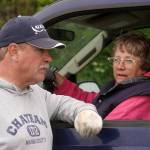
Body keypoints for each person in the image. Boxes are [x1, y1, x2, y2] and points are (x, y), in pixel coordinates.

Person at [0, 15, 103, 150]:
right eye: (40, 50)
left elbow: (63, 105)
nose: (49, 58)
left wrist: (85, 112)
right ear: (14, 51)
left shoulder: (36, 93)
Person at [45, 31, 150, 120]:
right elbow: (93, 101)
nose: (120, 66)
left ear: (144, 66)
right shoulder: (125, 88)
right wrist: (61, 82)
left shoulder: (142, 96)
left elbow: (105, 128)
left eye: (128, 61)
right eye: (116, 59)